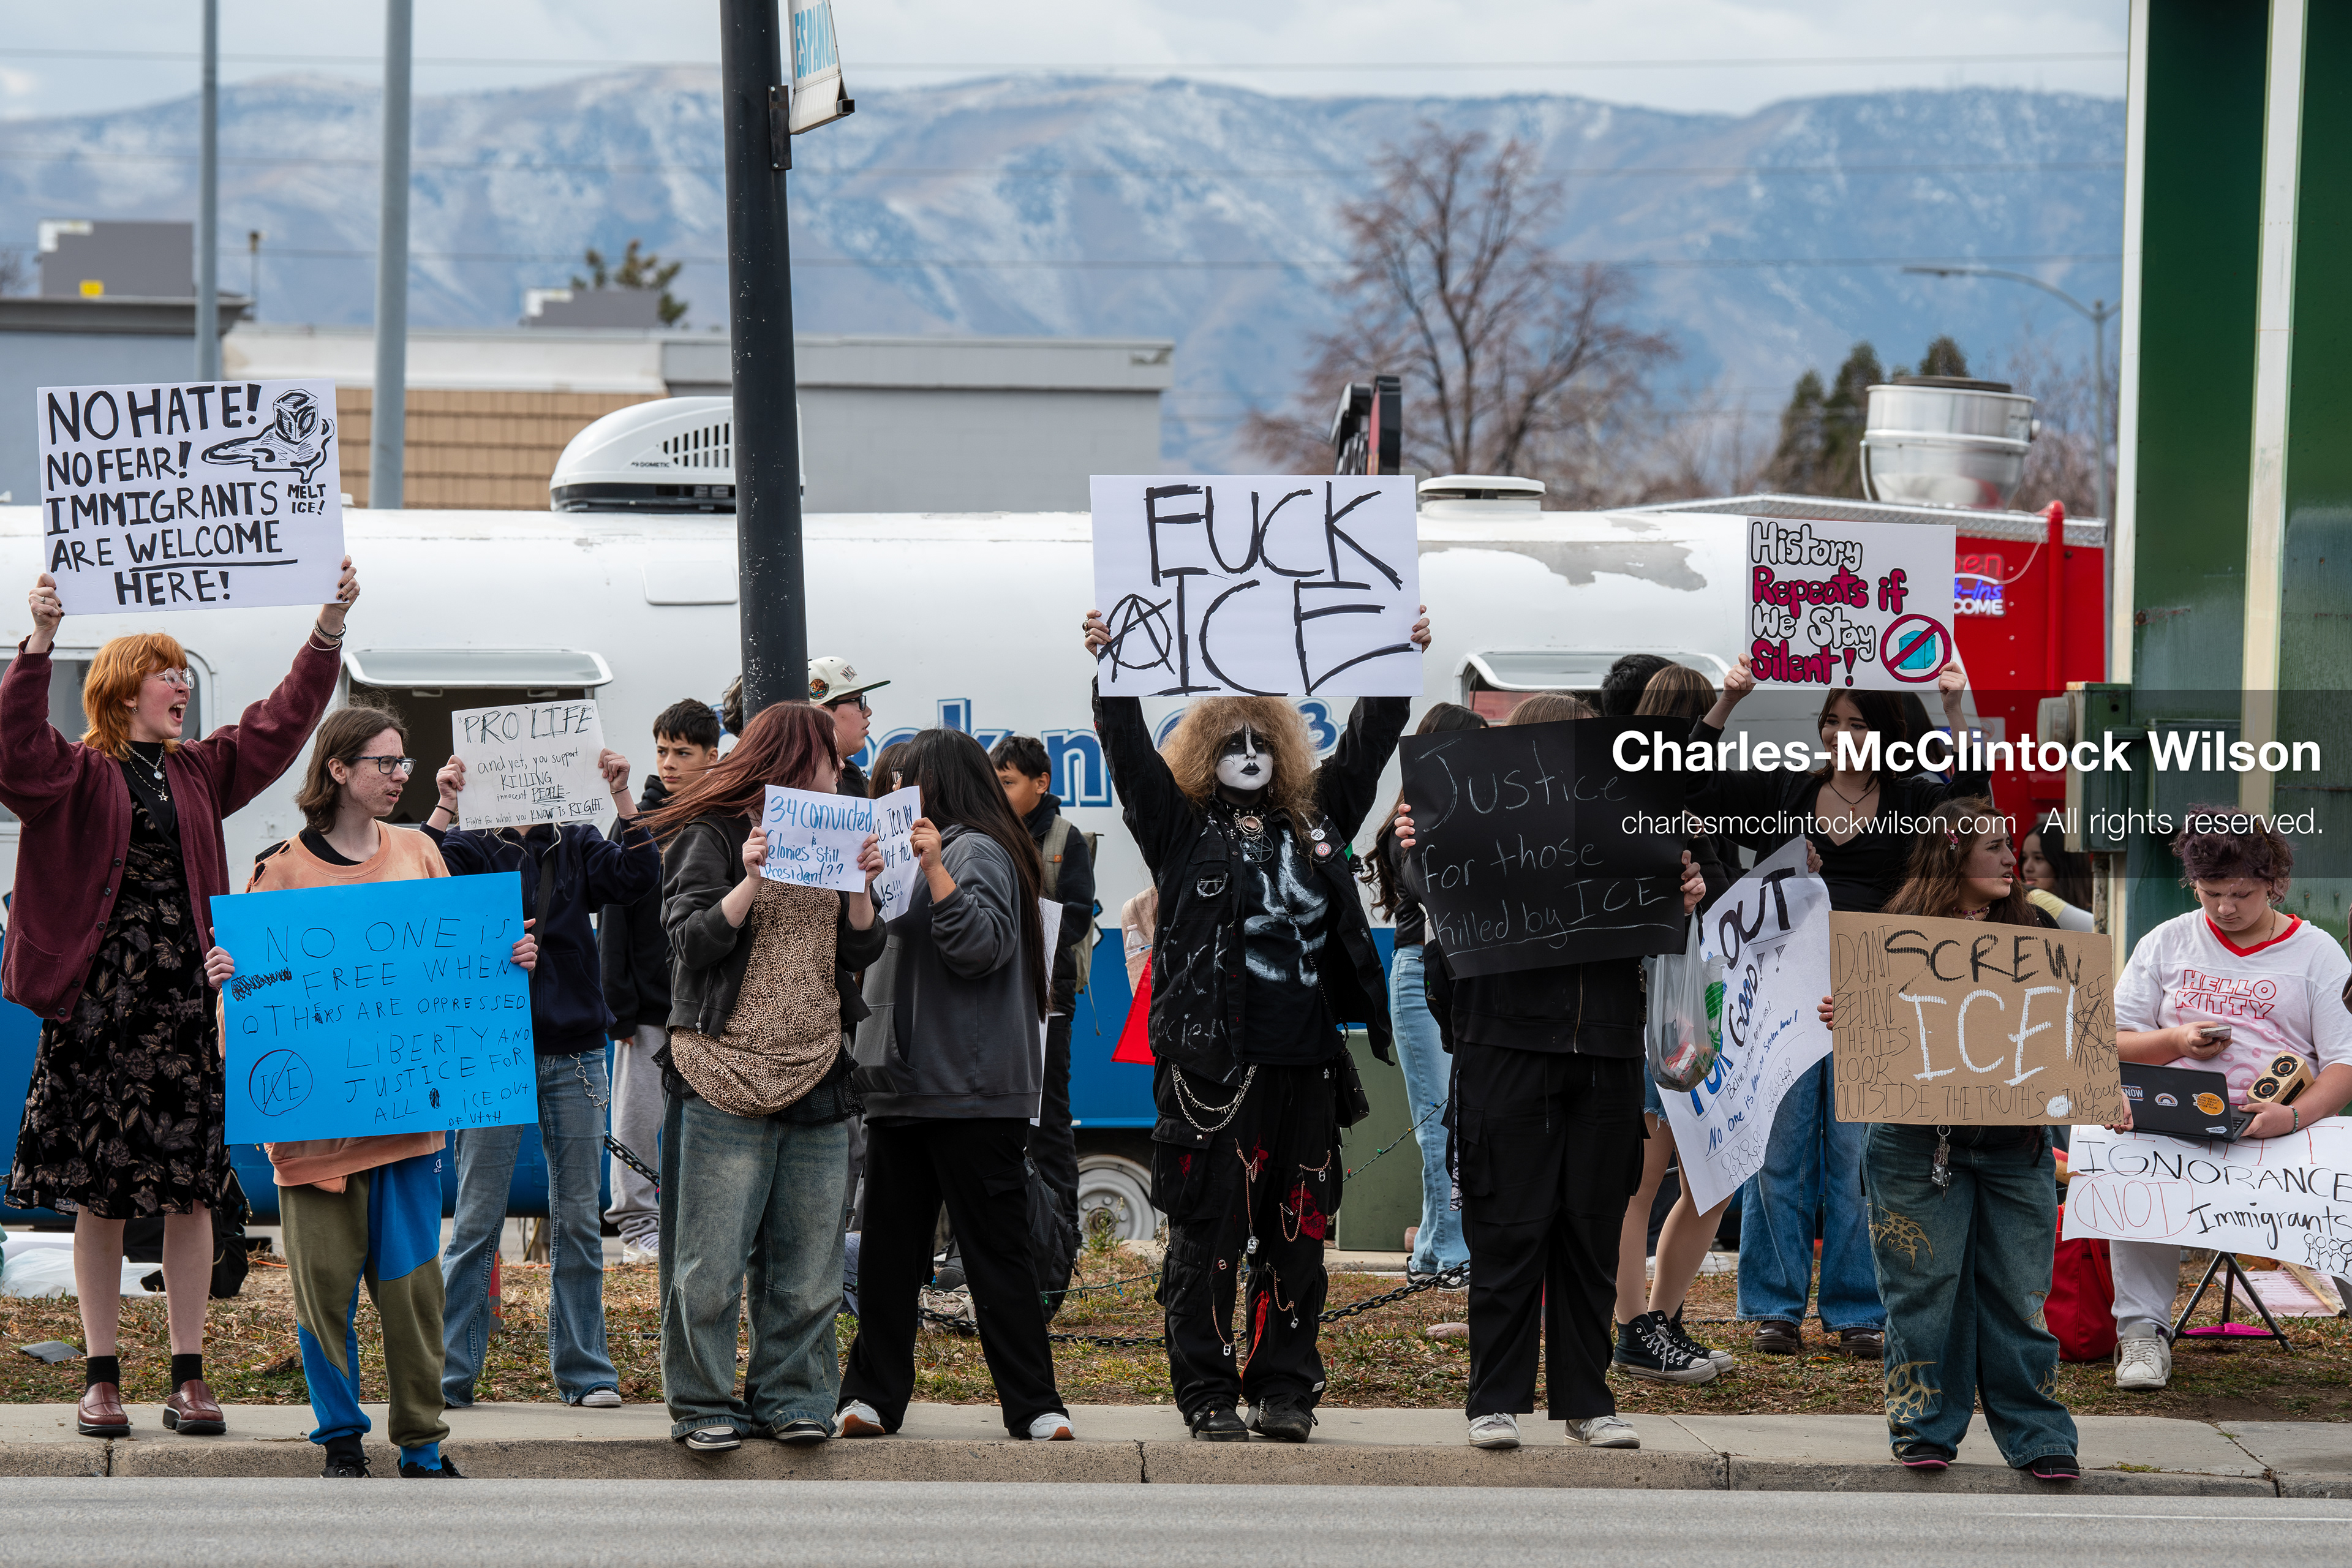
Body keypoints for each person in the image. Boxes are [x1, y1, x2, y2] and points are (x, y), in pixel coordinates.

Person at [2, 560, 356, 1442]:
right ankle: (100, 1379)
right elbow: (10, 750)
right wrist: (39, 642)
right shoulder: (74, 773)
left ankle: (190, 1378)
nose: (182, 686)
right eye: (168, 674)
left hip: (184, 1010)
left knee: (194, 1193)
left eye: (185, 676)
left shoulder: (201, 770)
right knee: (103, 1197)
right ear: (125, 690)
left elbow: (281, 725)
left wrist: (328, 629)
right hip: (99, 1010)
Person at [1082, 604, 1433, 1444]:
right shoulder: (1178, 830)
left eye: (1263, 742)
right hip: (1210, 1074)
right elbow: (1129, 758)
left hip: (1305, 1071)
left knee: (1299, 1239)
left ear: (1282, 752)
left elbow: (1366, 749)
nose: (1248, 755)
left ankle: (1284, 1390)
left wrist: (1396, 662)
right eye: (1232, 743)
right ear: (1206, 755)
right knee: (1206, 1241)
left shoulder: (1316, 829)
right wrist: (1111, 668)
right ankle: (1205, 1392)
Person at [208, 706, 537, 1479]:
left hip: (407, 1129)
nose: (401, 776)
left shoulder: (422, 851)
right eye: (386, 763)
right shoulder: (278, 869)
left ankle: (422, 1442)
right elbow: (251, 1008)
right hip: (314, 1141)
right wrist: (230, 984)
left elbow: (458, 972)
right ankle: (342, 1441)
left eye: (403, 763)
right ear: (339, 770)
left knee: (413, 1294)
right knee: (323, 1297)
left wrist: (507, 958)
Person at [1399, 692, 1709, 1451]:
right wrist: (1416, 846)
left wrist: (1688, 892)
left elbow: (1663, 925)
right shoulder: (1473, 822)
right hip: (1506, 1050)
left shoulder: (1628, 824)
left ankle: (1587, 1399)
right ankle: (1493, 1400)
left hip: (1602, 1053)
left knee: (1591, 1230)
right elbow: (1429, 907)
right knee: (1508, 1231)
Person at [1694, 653, 1986, 1359]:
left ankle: (1858, 1307)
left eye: (1857, 721)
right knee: (1779, 1152)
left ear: (1888, 730)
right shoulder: (1789, 790)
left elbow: (1975, 810)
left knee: (1860, 1157)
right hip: (1784, 996)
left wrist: (1957, 711)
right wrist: (1726, 702)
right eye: (1831, 720)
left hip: (1874, 990)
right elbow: (1691, 781)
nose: (1841, 733)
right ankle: (1774, 1306)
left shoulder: (1915, 799)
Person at [641, 703, 888, 1452]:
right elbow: (689, 940)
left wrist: (860, 885)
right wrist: (747, 878)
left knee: (809, 1265)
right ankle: (703, 1402)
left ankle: (795, 1397)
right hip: (722, 1072)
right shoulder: (713, 830)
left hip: (815, 1065)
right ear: (791, 757)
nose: (840, 769)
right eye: (828, 756)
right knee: (708, 1263)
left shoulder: (839, 826)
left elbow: (864, 951)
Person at [1815, 797, 2081, 1481]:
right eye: (1993, 847)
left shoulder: (2044, 927)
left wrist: (2097, 1078)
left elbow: (2073, 1026)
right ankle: (1923, 1426)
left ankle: (2039, 1433)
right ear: (1950, 855)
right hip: (1914, 1145)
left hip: (2015, 1148)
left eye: (2011, 848)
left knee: (2022, 1299)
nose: (2009, 860)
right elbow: (1875, 1033)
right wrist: (1849, 1013)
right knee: (1923, 1298)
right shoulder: (1896, 932)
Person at [832, 728, 1072, 1441]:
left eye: (900, 783)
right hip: (904, 1085)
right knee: (887, 1254)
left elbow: (980, 948)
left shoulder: (977, 850)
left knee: (996, 1254)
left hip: (970, 1091)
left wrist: (936, 871)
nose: (887, 797)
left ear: (934, 785)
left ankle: (1035, 1405)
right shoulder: (903, 854)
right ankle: (871, 1396)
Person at [425, 742, 662, 1409]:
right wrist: (446, 801)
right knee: (476, 1220)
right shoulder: (471, 844)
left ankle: (585, 1371)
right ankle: (451, 1374)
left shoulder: (581, 840)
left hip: (576, 1047)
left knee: (581, 1219)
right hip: (493, 1046)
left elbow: (641, 877)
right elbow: (415, 874)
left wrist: (621, 797)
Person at [2106, 810, 2352, 1392]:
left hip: (2286, 1126)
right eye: (2210, 892)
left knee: (2345, 1197)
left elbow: (2345, 1062)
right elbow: (2109, 1041)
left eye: (2241, 893)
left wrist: (2294, 1114)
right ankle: (2142, 1333)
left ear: (2275, 882)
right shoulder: (2166, 941)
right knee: (2132, 1172)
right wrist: (2176, 1040)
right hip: (2175, 1117)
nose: (2225, 908)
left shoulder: (2316, 953)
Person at [1613, 665, 1747, 1384]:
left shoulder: (1693, 813)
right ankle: (1638, 1326)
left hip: (1700, 1010)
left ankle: (1659, 1321)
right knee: (1644, 1181)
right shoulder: (1645, 808)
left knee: (1709, 1177)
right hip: (1660, 1014)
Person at [1363, 701, 1488, 1286]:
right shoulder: (1410, 824)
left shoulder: (1450, 811)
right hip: (1420, 974)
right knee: (1439, 1120)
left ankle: (1435, 1252)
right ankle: (1452, 1253)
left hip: (1460, 974)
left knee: (1452, 1119)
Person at [599, 698, 723, 1267]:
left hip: (704, 1008)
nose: (669, 763)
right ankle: (636, 1228)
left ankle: (688, 1223)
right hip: (647, 1006)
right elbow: (614, 923)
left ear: (711, 756)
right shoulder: (633, 821)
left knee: (700, 1123)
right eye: (662, 751)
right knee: (637, 1119)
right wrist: (617, 1008)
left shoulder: (722, 818)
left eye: (683, 752)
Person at [990, 733, 1097, 1224]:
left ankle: (1062, 1234)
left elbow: (1076, 919)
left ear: (1042, 783)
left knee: (1048, 1117)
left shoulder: (1065, 838)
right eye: (994, 781)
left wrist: (1013, 923)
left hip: (1047, 998)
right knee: (992, 1117)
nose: (999, 790)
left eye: (1008, 782)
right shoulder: (987, 833)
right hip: (993, 994)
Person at [809, 655, 888, 798]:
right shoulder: (797, 785)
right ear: (821, 714)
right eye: (857, 700)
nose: (868, 711)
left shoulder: (853, 776)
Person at [2021, 812, 2097, 932]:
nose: (2027, 867)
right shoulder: (2022, 908)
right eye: (2025, 858)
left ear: (2063, 864)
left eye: (2039, 858)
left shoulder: (2097, 916)